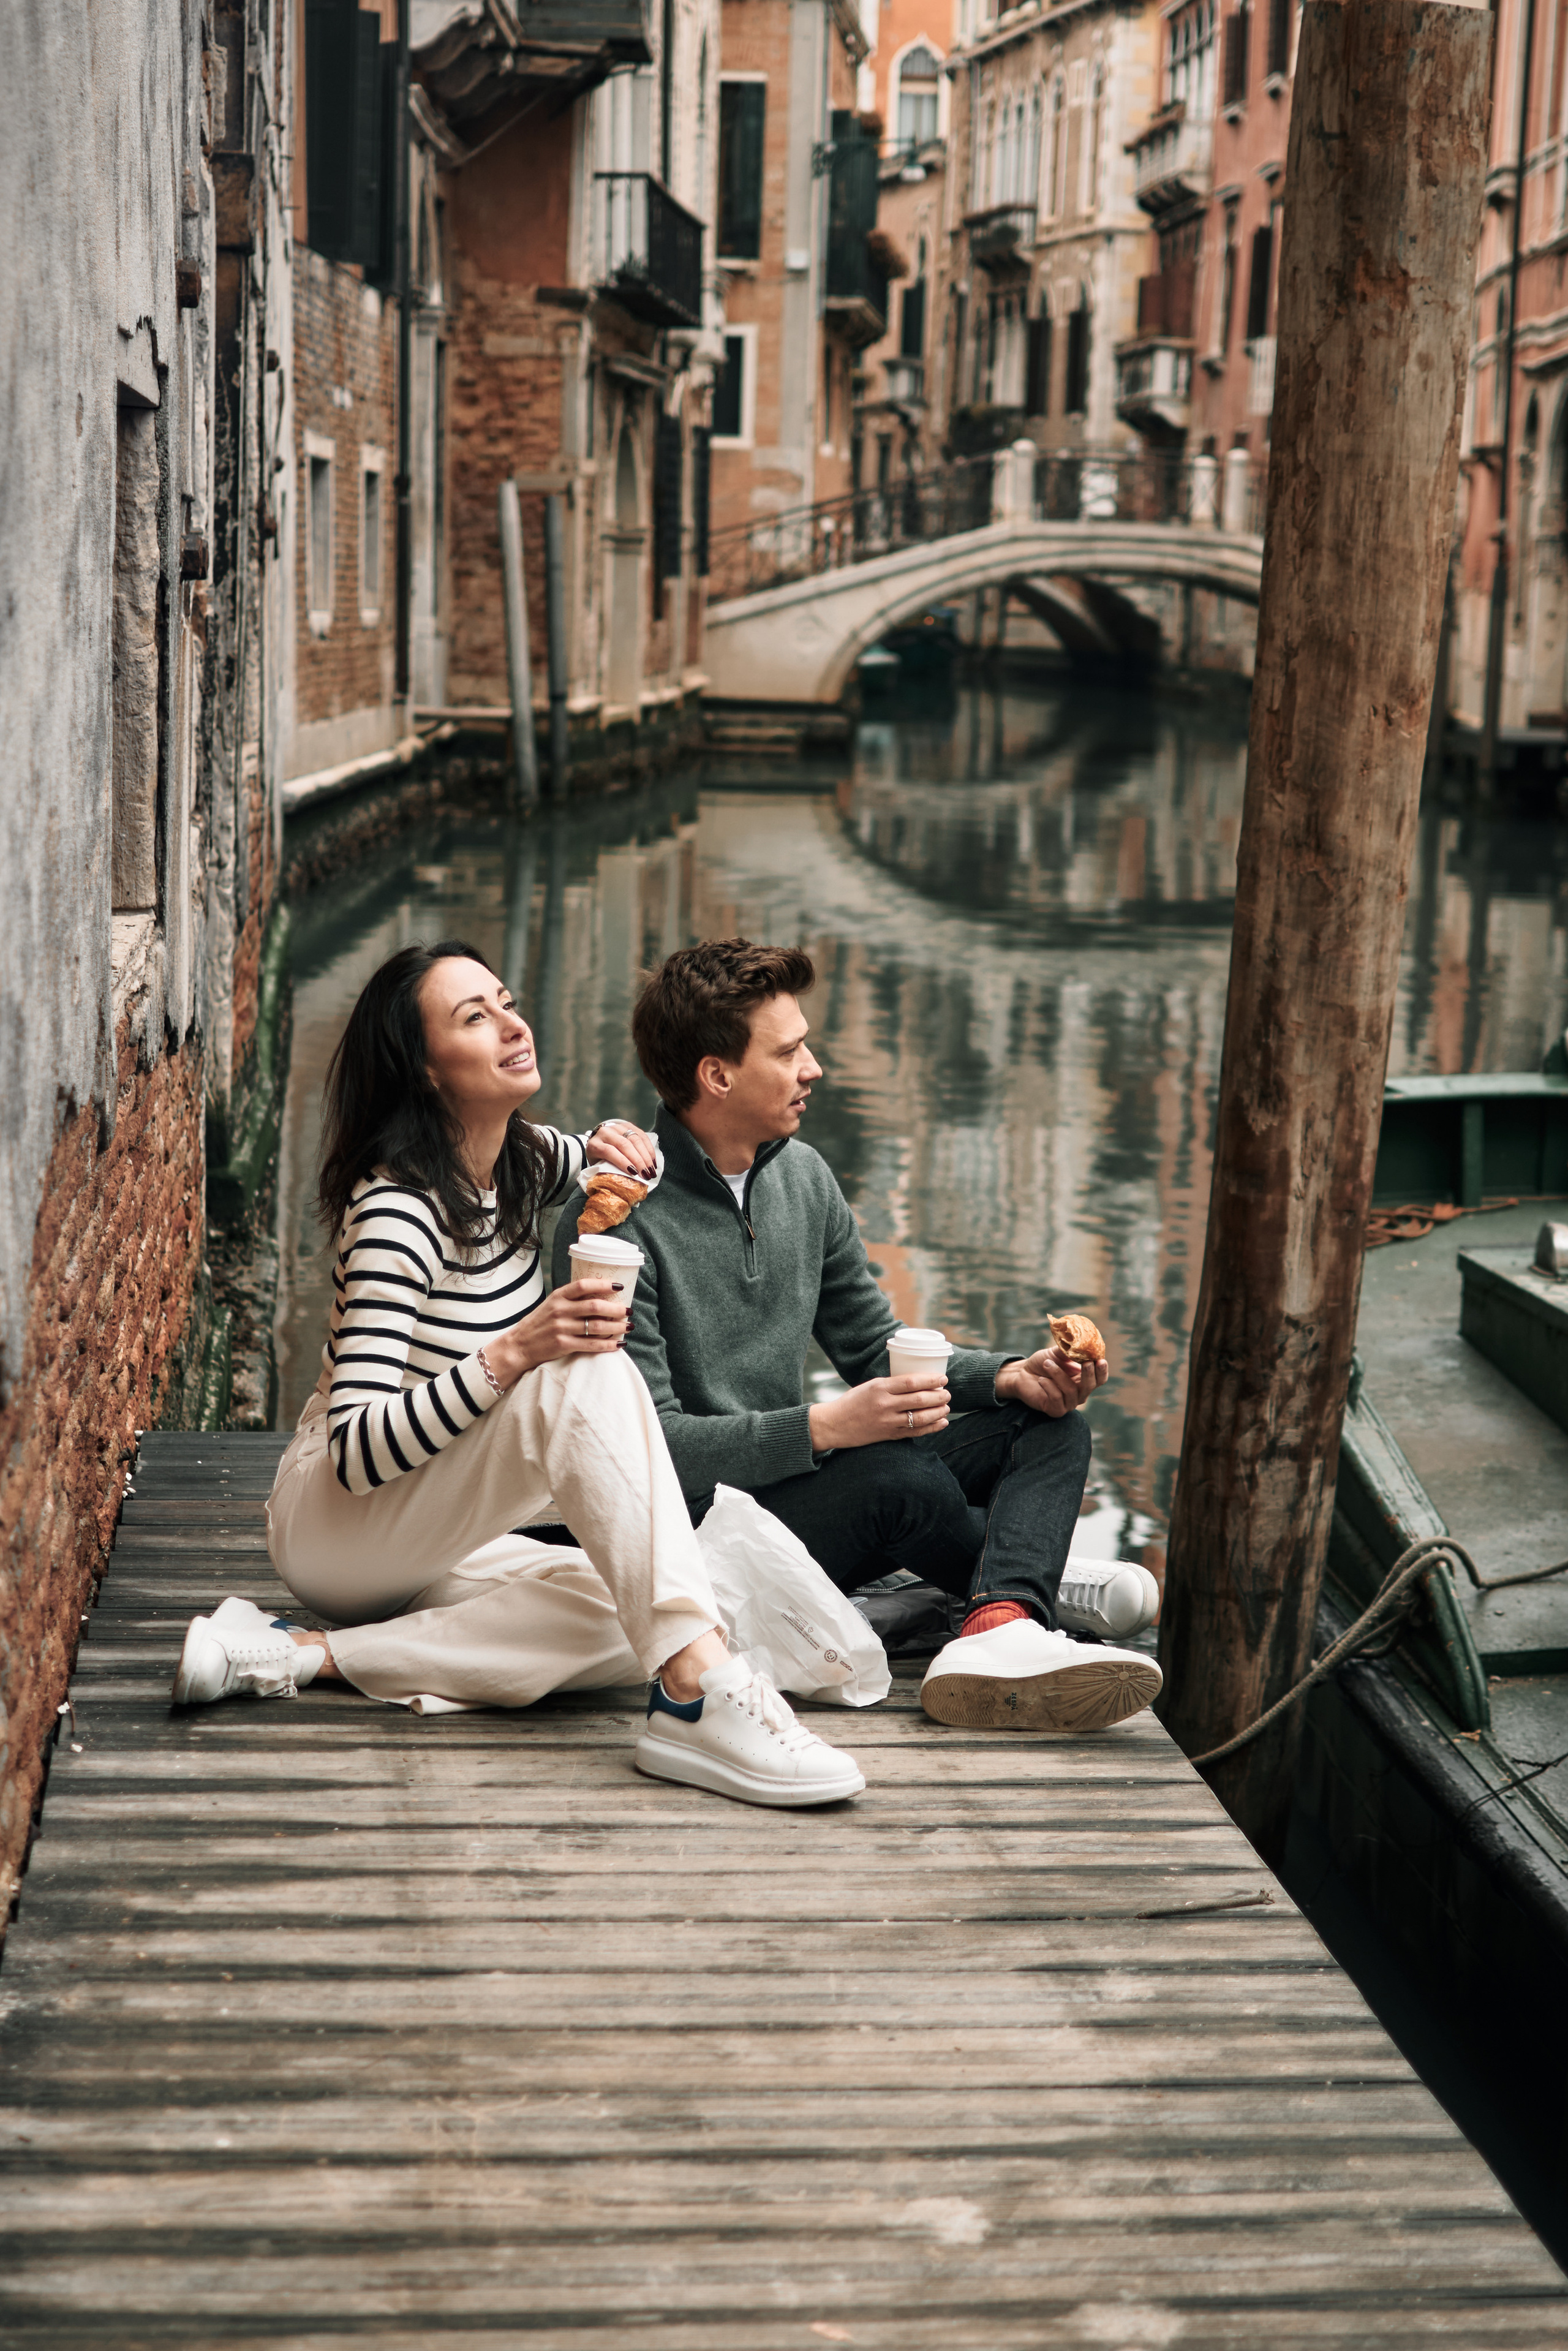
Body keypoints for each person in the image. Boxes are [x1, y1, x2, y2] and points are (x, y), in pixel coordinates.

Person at [170, 938, 864, 1810]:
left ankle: (306, 1652)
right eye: (473, 1018)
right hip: (339, 1526)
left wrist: (619, 1141)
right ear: (425, 1070)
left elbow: (610, 1153)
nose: (510, 1023)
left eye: (504, 1000)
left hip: (440, 1532)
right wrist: (512, 1353)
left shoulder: (523, 1160)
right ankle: (696, 1699)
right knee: (582, 1367)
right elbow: (353, 1452)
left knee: (653, 1607)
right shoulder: (397, 1210)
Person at [553, 939, 1163, 1734]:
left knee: (1047, 1427)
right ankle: (1029, 1581)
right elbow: (647, 1450)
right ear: (718, 1075)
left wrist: (1011, 1377)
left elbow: (877, 1347)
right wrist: (828, 1426)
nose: (815, 1066)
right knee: (899, 1482)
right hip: (703, 1534)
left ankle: (999, 1619)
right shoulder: (613, 1221)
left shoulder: (803, 1176)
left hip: (797, 1489)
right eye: (790, 1049)